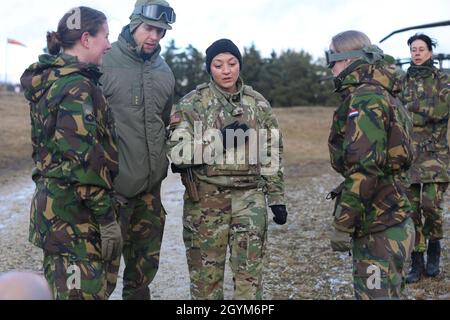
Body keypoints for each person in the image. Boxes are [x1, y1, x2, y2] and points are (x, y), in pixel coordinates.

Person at [167, 38, 288, 300]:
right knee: (205, 284)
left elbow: (272, 151)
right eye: (218, 64)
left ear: (239, 65)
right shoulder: (193, 104)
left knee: (249, 281)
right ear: (209, 68)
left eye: (232, 63)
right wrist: (219, 141)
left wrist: (277, 197)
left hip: (250, 200)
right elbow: (177, 154)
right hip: (206, 204)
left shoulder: (258, 104)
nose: (226, 70)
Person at [20, 7, 122, 300]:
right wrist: (106, 220)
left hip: (56, 214)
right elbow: (82, 162)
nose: (109, 44)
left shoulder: (53, 79)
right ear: (87, 39)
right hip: (75, 218)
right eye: (106, 36)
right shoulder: (76, 85)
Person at [326, 30, 415, 299]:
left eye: (332, 58)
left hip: (379, 226)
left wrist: (343, 223)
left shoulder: (366, 100)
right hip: (392, 218)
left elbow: (365, 168)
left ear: (348, 60)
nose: (331, 67)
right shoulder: (385, 94)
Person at [100, 0, 176, 300]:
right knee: (101, 273)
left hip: (150, 193)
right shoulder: (103, 62)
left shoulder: (164, 71)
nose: (154, 37)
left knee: (142, 275)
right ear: (133, 24)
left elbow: (164, 122)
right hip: (111, 192)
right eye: (149, 29)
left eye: (160, 31)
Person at [399, 34, 449, 283]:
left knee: (430, 207)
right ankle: (416, 263)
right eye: (413, 49)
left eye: (421, 49)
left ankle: (434, 254)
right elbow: (396, 112)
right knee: (412, 211)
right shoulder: (402, 80)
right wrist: (417, 111)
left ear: (430, 52)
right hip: (409, 157)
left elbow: (442, 111)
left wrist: (413, 109)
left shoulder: (443, 79)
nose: (417, 53)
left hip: (436, 157)